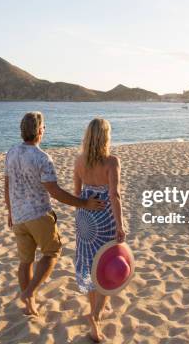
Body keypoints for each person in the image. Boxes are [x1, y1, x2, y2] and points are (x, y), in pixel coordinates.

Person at [4, 112, 105, 317]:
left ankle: (29, 305)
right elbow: (55, 192)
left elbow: (7, 185)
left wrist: (10, 211)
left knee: (26, 261)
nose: (45, 130)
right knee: (52, 253)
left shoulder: (11, 152)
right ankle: (29, 292)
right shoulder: (43, 158)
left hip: (18, 217)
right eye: (44, 127)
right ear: (39, 131)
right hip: (38, 215)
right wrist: (84, 203)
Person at [73, 118, 125, 342]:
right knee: (106, 268)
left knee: (89, 263)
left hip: (85, 218)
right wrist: (120, 225)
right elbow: (114, 195)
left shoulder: (79, 160)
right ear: (106, 136)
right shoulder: (111, 162)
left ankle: (96, 306)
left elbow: (76, 195)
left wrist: (84, 210)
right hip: (104, 219)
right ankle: (95, 316)